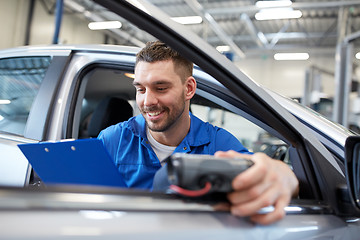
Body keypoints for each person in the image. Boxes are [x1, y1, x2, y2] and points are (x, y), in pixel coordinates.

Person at [98, 40, 299, 225]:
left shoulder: (217, 143)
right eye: (141, 89)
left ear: (189, 89)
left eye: (160, 88)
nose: (147, 101)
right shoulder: (112, 140)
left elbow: (262, 175)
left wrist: (283, 175)